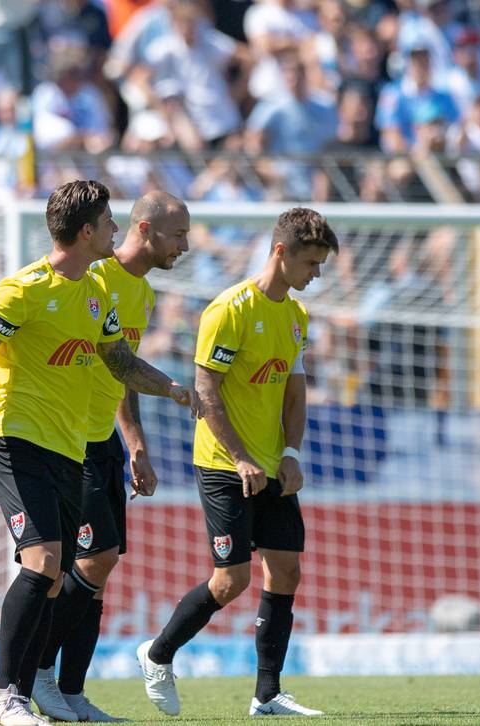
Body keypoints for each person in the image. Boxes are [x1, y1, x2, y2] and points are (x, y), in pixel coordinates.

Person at [0, 180, 199, 726]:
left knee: (58, 572)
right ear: (88, 231)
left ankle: (46, 690)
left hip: (69, 448)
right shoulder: (23, 290)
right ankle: (4, 695)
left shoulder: (97, 294)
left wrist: (173, 389)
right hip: (16, 442)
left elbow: (120, 363)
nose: (116, 229)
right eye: (109, 222)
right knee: (41, 564)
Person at [137, 207, 338, 718]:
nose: (316, 274)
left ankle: (267, 694)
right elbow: (206, 390)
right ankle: (157, 655)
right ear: (280, 252)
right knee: (232, 580)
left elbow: (296, 394)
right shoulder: (229, 310)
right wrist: (243, 459)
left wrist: (290, 453)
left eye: (320, 265)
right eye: (310, 263)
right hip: (224, 464)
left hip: (272, 465)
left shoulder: (295, 317)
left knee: (286, 571)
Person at [31, 191, 191, 723]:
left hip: (103, 440)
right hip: (68, 438)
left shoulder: (140, 293)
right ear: (145, 230)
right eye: (178, 235)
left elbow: (118, 373)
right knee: (91, 561)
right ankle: (37, 670)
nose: (185, 246)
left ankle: (71, 693)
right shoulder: (95, 278)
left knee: (100, 567)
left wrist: (136, 444)